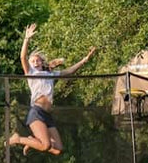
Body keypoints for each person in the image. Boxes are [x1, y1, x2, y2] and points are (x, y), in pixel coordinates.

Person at [8, 23, 96, 155]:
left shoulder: (50, 74)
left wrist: (84, 60)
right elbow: (22, 57)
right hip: (36, 112)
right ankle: (18, 139)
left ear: (42, 62)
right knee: (46, 145)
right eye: (33, 61)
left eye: (37, 60)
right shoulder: (31, 73)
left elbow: (69, 71)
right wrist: (27, 39)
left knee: (58, 149)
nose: (35, 63)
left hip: (47, 114)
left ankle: (31, 140)